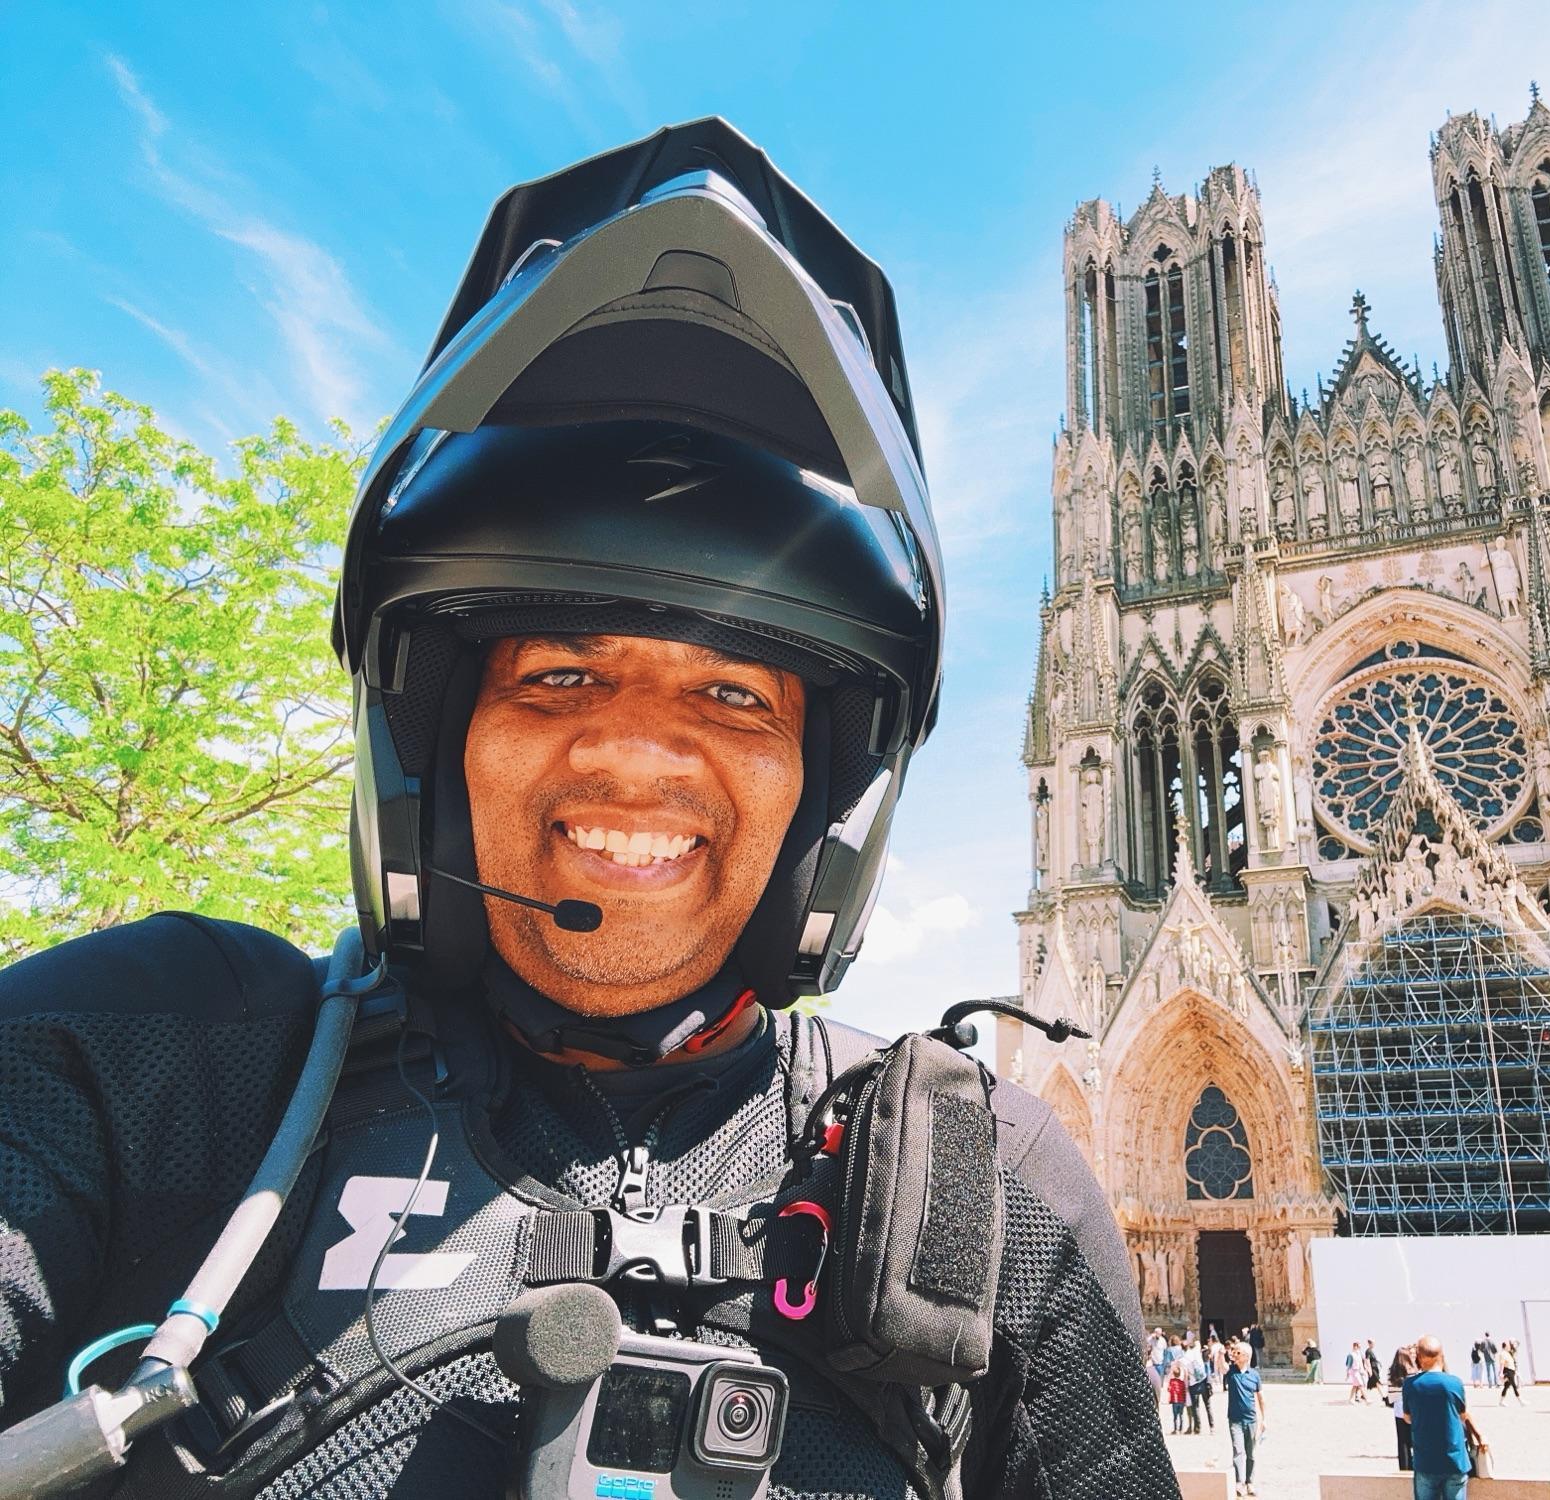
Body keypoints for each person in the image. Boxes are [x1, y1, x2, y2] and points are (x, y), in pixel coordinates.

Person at [0, 124, 1180, 1500]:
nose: (636, 760)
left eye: (737, 696)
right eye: (558, 673)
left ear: (833, 801)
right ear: (432, 736)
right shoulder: (160, 1064)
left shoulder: (993, 1193)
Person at [1403, 1334, 1488, 1500]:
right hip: (1454, 1460)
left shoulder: (1410, 1385)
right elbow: (1463, 1415)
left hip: (1426, 1460)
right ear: (1441, 1355)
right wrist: (1479, 1435)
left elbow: (1407, 1418)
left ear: (1419, 1357)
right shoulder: (1454, 1383)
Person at [1225, 1336, 1267, 1497]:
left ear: (1247, 1356)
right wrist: (1226, 1353)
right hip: (1234, 1419)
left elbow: (1261, 1398)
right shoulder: (1231, 1372)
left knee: (1251, 1453)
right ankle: (1239, 1482)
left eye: (1239, 1353)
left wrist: (1265, 1419)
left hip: (1251, 1419)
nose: (1236, 1355)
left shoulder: (1254, 1375)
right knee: (1237, 1450)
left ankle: (1250, 1482)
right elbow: (1222, 1368)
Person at [1389, 1343, 1419, 1470]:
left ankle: (1404, 1467)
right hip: (1412, 1408)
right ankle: (1416, 1464)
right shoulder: (1413, 1373)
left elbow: (1390, 1395)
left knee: (1402, 1441)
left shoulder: (1392, 1373)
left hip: (1398, 1408)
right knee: (1415, 1438)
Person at [1186, 1340, 1215, 1434]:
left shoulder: (1187, 1356)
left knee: (1196, 1407)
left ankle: (1198, 1428)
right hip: (1203, 1382)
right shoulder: (1201, 1356)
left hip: (1193, 1384)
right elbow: (1207, 1371)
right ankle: (1212, 1427)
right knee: (1208, 1406)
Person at [1498, 1341, 1523, 1405]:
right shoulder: (1503, 1353)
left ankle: (1501, 1401)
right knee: (1514, 1386)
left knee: (1506, 1386)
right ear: (1505, 1346)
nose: (1509, 1346)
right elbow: (1502, 1363)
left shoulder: (1507, 1353)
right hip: (1508, 1371)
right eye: (1508, 1345)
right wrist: (1501, 1372)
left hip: (1511, 1371)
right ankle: (1521, 1401)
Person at [1168, 1360, 1189, 1434]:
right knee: (1181, 1415)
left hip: (1175, 1401)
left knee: (1175, 1416)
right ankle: (1181, 1429)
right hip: (1181, 1401)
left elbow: (1169, 1389)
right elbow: (1184, 1392)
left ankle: (1175, 1429)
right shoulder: (1182, 1382)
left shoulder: (1172, 1381)